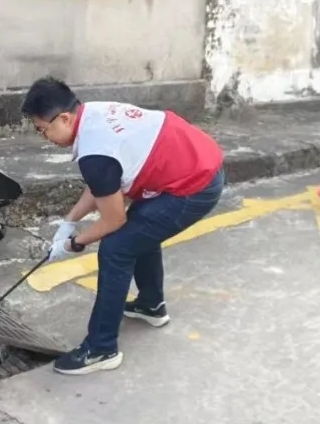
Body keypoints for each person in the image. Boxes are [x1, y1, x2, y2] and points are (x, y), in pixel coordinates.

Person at [21, 77, 225, 375]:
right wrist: (69, 221)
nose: (44, 137)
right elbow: (103, 184)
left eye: (42, 129)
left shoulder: (95, 151)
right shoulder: (92, 115)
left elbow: (114, 219)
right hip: (194, 163)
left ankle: (101, 349)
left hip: (195, 184)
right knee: (140, 230)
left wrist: (73, 244)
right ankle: (151, 305)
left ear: (64, 118)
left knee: (116, 247)